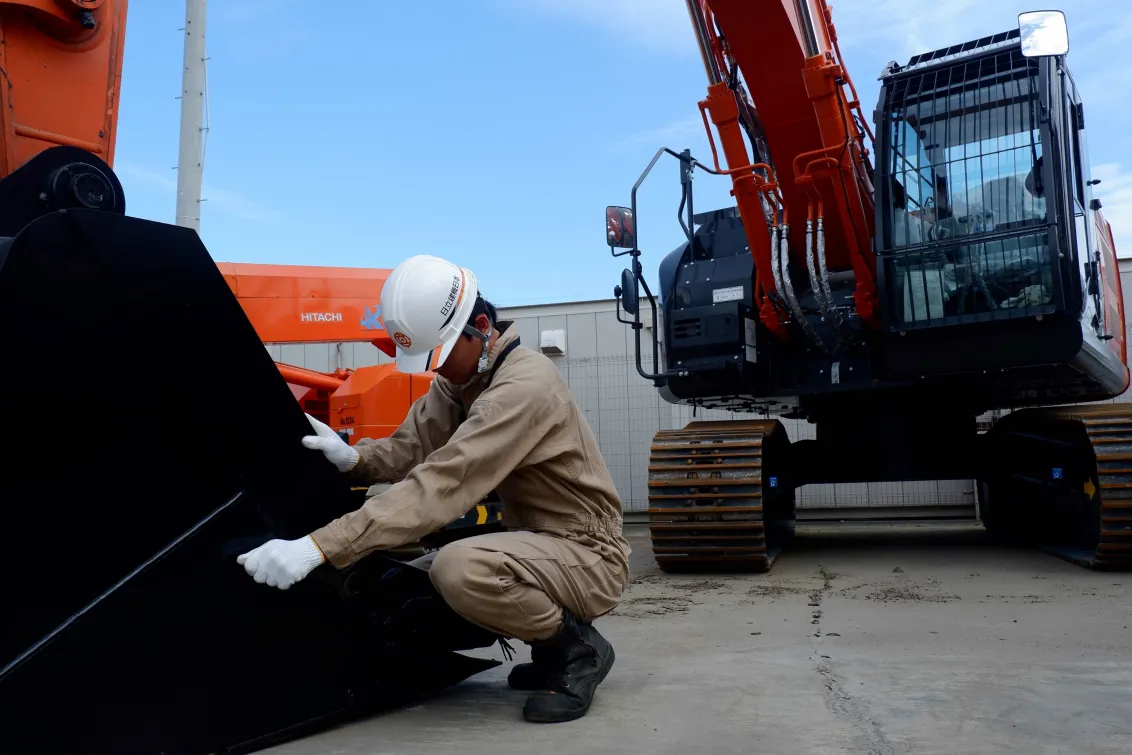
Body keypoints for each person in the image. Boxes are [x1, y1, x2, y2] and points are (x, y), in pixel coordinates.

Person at [236, 253, 631, 724]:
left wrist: (319, 547)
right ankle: (549, 648)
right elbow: (412, 446)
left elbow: (443, 483)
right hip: (539, 543)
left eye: (441, 356)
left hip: (588, 552)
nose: (437, 370)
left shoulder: (524, 385)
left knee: (460, 570)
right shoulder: (462, 379)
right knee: (401, 585)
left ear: (481, 326)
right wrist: (355, 458)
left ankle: (577, 649)